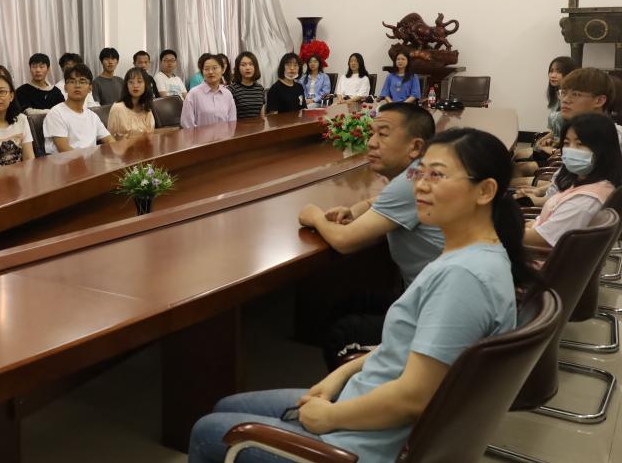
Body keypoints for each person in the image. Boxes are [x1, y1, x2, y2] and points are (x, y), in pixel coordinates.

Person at [191, 128, 534, 463]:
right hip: (365, 403)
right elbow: (405, 349)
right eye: (420, 173)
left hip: (360, 444)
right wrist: (339, 376)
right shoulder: (474, 256)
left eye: (438, 175)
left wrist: (331, 417)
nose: (420, 185)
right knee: (227, 407)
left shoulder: (463, 279)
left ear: (485, 191)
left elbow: (412, 399)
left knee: (209, 431)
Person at [298, 103, 440, 368]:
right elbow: (385, 200)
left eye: (383, 134)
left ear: (415, 147)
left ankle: (359, 391)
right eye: (372, 133)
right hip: (426, 295)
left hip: (434, 314)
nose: (371, 142)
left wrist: (314, 215)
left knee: (344, 332)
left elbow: (345, 242)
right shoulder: (422, 171)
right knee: (348, 303)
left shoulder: (411, 183)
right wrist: (356, 208)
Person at [517, 68, 621, 207]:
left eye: (575, 94)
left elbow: (588, 197)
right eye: (563, 93)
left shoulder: (612, 138)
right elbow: (569, 180)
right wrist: (540, 191)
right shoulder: (578, 131)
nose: (565, 100)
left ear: (599, 100)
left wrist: (539, 200)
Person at [523, 113, 621, 248]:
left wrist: (500, 231)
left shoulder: (585, 200)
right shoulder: (585, 182)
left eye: (580, 144)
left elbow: (543, 239)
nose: (570, 150)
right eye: (566, 143)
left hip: (535, 256)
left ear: (603, 149)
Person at [45, 64, 112, 153]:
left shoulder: (93, 116)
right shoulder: (56, 113)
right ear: (65, 88)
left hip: (92, 160)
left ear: (90, 88)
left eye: (82, 81)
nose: (77, 85)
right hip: (67, 161)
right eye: (72, 82)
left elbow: (109, 140)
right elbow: (64, 149)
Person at [180, 55, 237, 129]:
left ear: (223, 70)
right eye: (206, 69)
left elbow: (232, 121)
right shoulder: (193, 93)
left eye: (214, 68)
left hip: (225, 135)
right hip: (200, 136)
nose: (210, 72)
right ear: (202, 72)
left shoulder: (227, 94)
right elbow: (187, 123)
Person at [107, 67, 156, 138]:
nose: (135, 86)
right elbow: (110, 138)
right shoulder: (117, 108)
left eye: (139, 82)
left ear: (146, 85)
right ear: (126, 86)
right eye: (131, 82)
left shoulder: (146, 107)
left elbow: (151, 133)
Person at [228, 51, 265, 119]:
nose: (248, 68)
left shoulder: (260, 88)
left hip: (258, 125)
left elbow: (262, 115)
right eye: (243, 65)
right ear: (238, 68)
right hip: (238, 125)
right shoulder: (231, 89)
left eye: (251, 64)